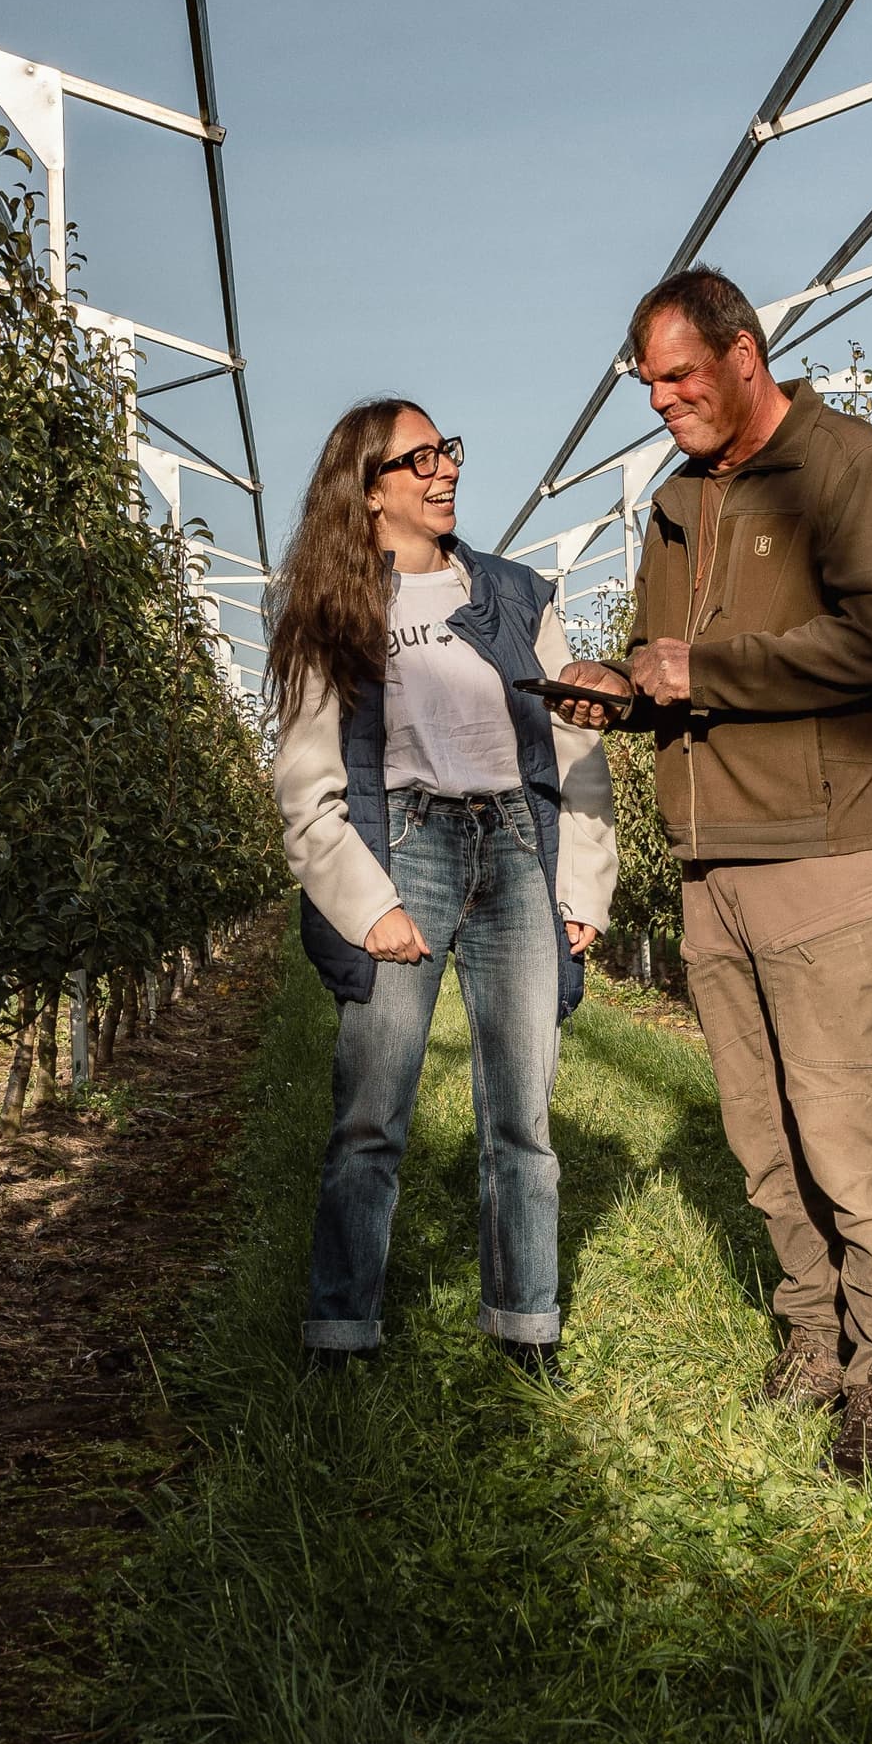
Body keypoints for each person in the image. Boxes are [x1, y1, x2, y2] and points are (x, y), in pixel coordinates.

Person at [556, 270, 872, 1473]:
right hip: (710, 859)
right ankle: (812, 1337)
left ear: (744, 354)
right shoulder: (674, 505)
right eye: (650, 384)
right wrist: (619, 691)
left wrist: (706, 670)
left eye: (681, 377)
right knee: (764, 1134)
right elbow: (664, 664)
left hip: (826, 848)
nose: (664, 401)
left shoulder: (845, 466)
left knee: (847, 1125)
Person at [270, 399, 618, 1379]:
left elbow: (576, 743)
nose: (444, 470)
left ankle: (526, 1326)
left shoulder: (515, 595)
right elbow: (306, 783)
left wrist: (583, 877)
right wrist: (363, 900)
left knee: (524, 1111)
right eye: (417, 458)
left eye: (446, 450)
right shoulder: (332, 612)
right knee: (373, 1109)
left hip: (514, 845)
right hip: (404, 847)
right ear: (367, 488)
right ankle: (341, 1336)